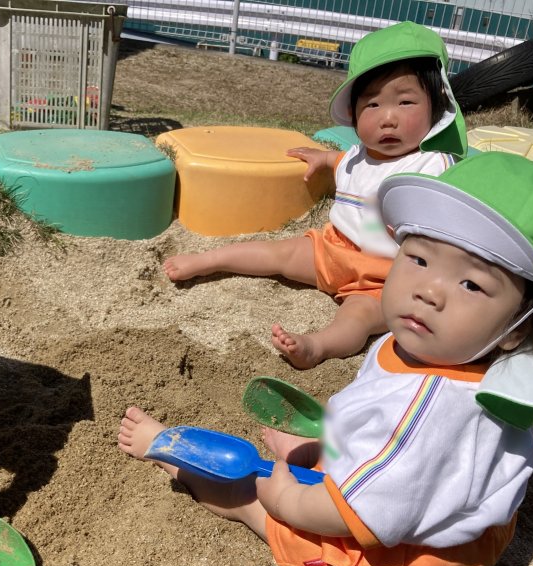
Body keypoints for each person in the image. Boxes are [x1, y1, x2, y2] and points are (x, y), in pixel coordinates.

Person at [122, 152, 533, 566]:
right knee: (349, 460)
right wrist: (332, 438)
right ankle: (330, 456)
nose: (429, 292)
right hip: (427, 494)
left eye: (471, 284)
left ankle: (168, 453)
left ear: (519, 329)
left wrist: (288, 501)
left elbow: (364, 511)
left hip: (413, 559)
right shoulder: (439, 347)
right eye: (419, 259)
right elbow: (386, 419)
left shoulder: (433, 407)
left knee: (249, 493)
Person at [163, 22, 468, 370]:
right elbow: (348, 165)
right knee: (278, 253)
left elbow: (457, 215)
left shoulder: (434, 164)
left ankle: (316, 346)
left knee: (358, 318)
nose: (387, 118)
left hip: (386, 276)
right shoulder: (358, 154)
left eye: (405, 102)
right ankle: (211, 260)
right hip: (332, 249)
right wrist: (324, 159)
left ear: (437, 105)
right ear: (353, 113)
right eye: (372, 104)